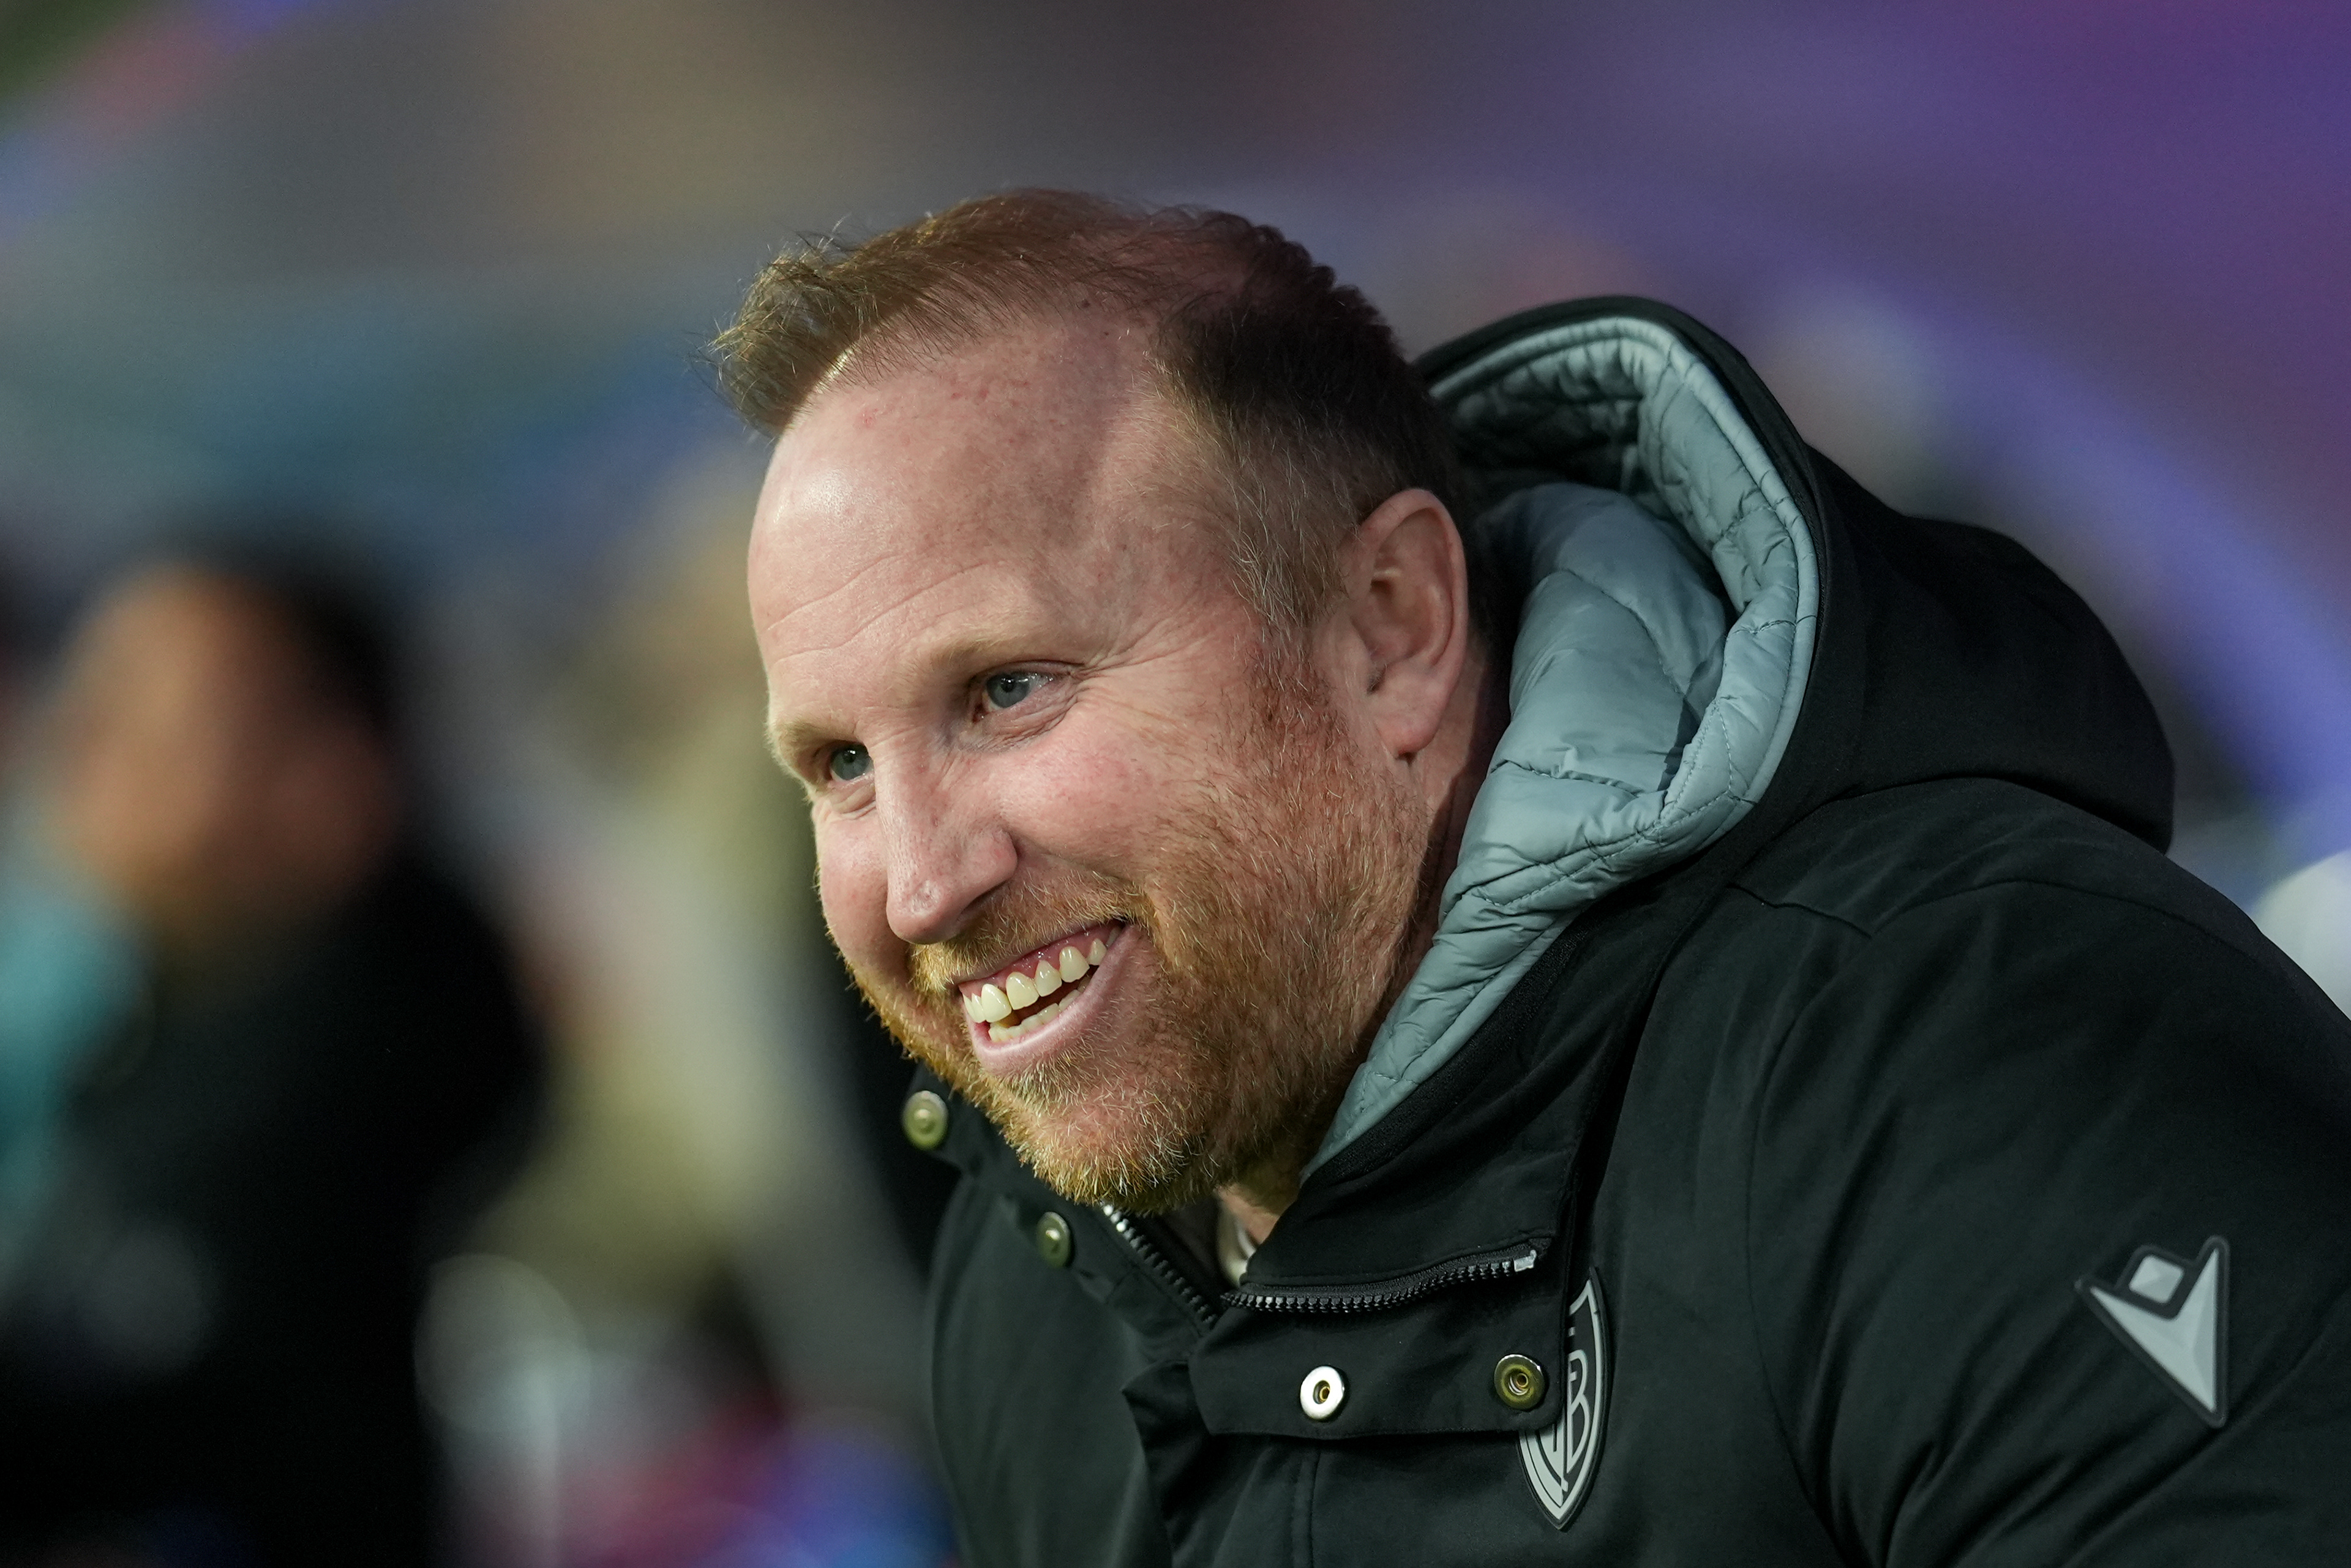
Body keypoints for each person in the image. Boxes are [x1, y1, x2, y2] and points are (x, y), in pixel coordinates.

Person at [720, 192, 2351, 1566]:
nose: (920, 888)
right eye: (839, 766)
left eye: (1007, 689)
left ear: (1394, 623)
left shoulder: (1973, 1063)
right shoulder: (1043, 1288)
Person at [0, 552, 542, 1567]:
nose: (84, 739)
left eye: (150, 711)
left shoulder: (347, 1064)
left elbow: (184, 1415)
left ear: (334, 775)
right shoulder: (163, 1028)